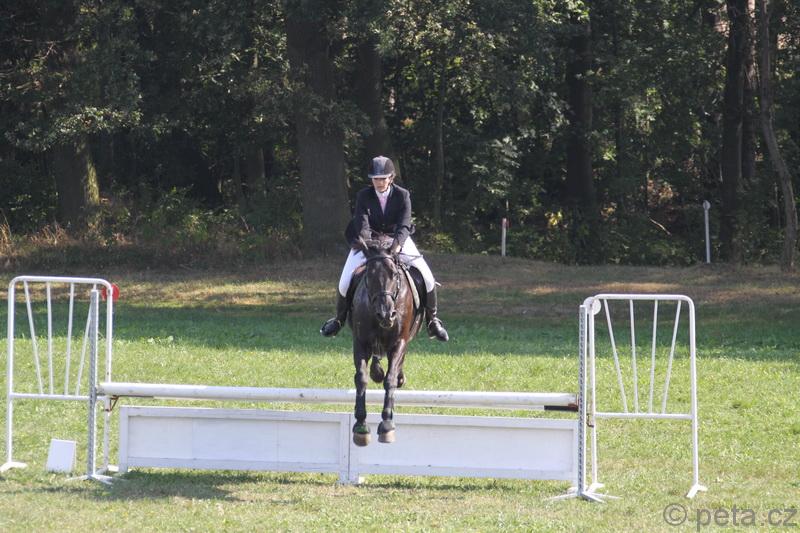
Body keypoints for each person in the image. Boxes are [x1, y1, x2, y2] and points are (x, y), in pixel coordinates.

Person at [320, 155, 449, 342]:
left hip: (397, 240)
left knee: (427, 277)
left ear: (391, 178)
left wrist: (396, 246)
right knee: (344, 280)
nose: (379, 182)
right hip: (369, 242)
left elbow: (404, 224)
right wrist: (369, 246)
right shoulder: (363, 196)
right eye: (375, 179)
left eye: (383, 178)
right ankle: (338, 319)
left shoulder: (403, 195)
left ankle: (432, 320)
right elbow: (362, 224)